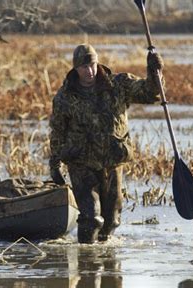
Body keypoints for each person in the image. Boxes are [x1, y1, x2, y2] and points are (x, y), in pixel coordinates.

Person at [49, 44, 164, 243]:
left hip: (112, 162)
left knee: (111, 221)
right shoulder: (65, 97)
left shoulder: (118, 85)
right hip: (81, 164)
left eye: (92, 65)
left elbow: (150, 94)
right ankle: (87, 264)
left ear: (98, 62)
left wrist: (155, 72)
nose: (90, 71)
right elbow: (58, 132)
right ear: (76, 69)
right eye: (84, 67)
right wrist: (55, 164)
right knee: (91, 219)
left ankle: (108, 267)